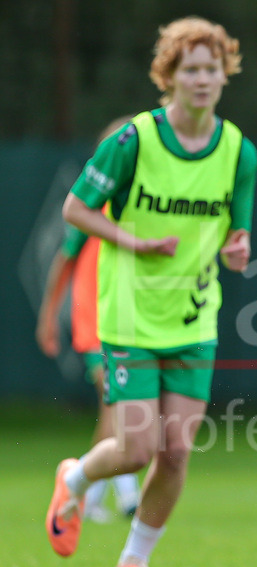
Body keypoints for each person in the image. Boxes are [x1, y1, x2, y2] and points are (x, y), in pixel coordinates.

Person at [45, 16, 257, 567]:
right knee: (136, 448)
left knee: (176, 454)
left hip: (193, 318)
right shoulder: (133, 139)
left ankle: (134, 558)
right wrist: (133, 240)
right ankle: (75, 479)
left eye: (212, 68)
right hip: (130, 316)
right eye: (191, 68)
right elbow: (75, 210)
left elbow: (236, 233)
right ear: (170, 75)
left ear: (224, 73)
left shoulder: (239, 151)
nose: (203, 79)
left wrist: (238, 249)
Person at [37, 116, 141, 524]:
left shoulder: (148, 205)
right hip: (98, 325)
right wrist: (48, 317)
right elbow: (63, 260)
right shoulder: (94, 207)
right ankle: (118, 494)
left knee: (123, 412)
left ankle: (89, 493)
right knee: (117, 410)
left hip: (138, 324)